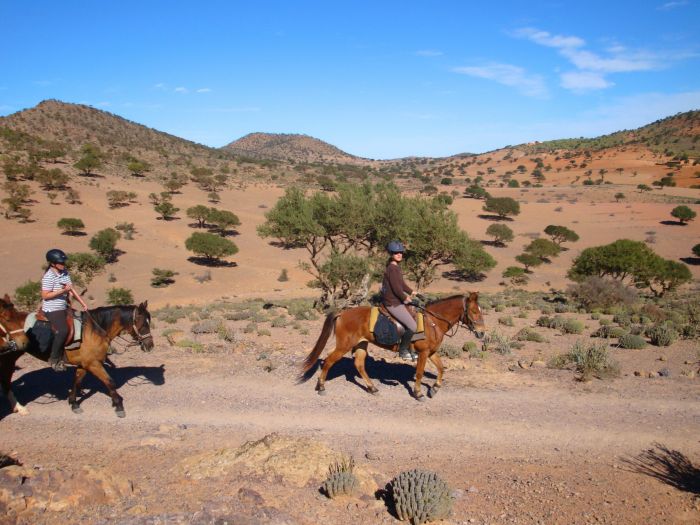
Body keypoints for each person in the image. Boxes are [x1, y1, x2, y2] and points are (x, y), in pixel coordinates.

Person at [41, 249, 88, 371]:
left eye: (63, 262)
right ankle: (54, 359)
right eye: (60, 262)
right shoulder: (48, 276)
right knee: (63, 330)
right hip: (52, 309)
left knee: (83, 321)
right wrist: (63, 291)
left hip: (64, 306)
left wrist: (83, 303)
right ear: (52, 263)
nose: (63, 264)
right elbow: (45, 295)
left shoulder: (65, 272)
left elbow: (71, 289)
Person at [381, 241, 418, 361]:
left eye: (401, 252)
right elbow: (397, 288)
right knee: (412, 326)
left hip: (396, 300)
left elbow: (401, 284)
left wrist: (411, 291)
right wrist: (404, 297)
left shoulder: (395, 267)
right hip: (393, 303)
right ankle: (403, 350)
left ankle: (412, 348)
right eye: (396, 252)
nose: (399, 254)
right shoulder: (392, 268)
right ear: (391, 254)